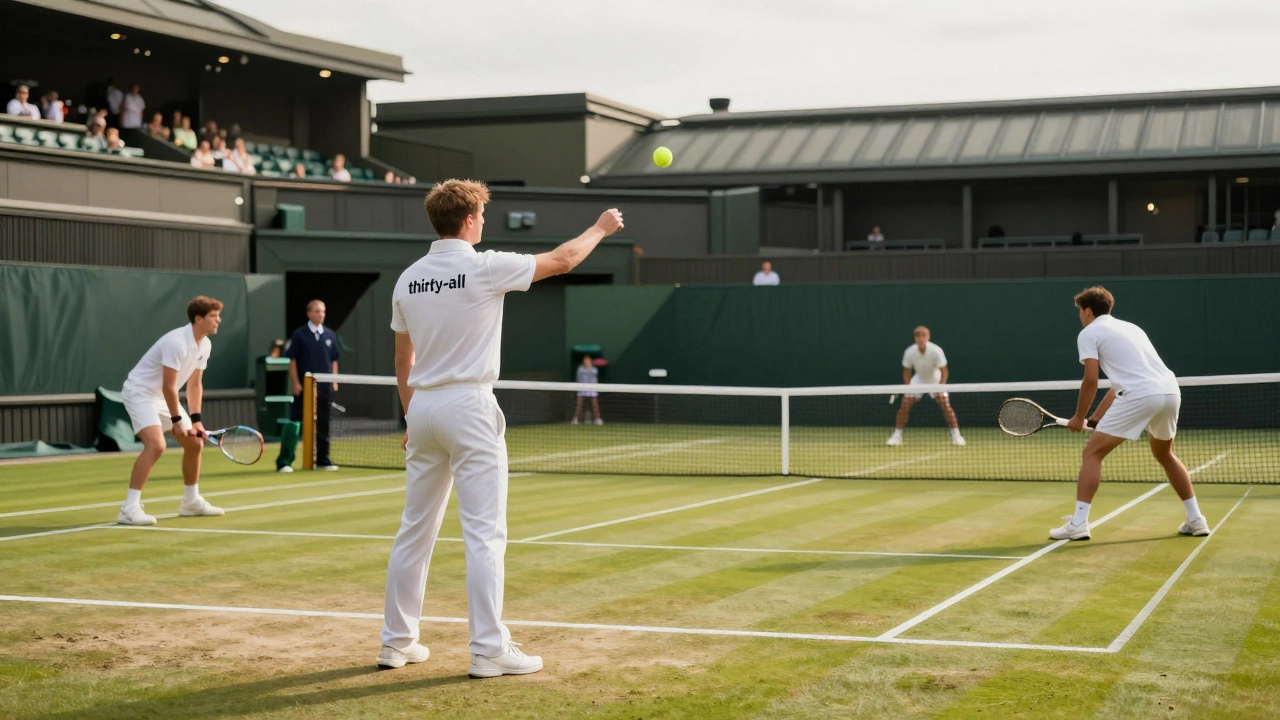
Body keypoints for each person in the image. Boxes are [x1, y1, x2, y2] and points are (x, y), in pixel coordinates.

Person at [378, 178, 624, 676]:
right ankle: (489, 649)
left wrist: (411, 415)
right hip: (468, 405)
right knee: (485, 535)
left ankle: (396, 644)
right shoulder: (485, 266)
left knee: (414, 532)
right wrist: (601, 227)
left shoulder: (407, 279)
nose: (484, 222)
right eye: (483, 216)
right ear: (469, 220)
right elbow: (564, 259)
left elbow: (403, 359)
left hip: (423, 407)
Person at [1050, 286, 1209, 541]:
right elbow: (1121, 382)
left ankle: (1078, 523)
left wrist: (1078, 417)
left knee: (1092, 453)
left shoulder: (1089, 333)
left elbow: (1090, 380)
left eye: (1080, 311)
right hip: (1169, 392)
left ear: (1087, 311)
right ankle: (1196, 518)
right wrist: (1095, 418)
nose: (1080, 316)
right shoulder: (1132, 329)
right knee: (1165, 454)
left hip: (1140, 395)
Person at [115, 296, 226, 525]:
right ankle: (129, 508)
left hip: (162, 396)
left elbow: (195, 384)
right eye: (213, 317)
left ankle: (190, 502)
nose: (219, 321)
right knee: (156, 445)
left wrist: (196, 420)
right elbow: (168, 386)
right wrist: (176, 419)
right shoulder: (176, 342)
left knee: (195, 443)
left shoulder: (204, 344)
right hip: (140, 393)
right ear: (198, 319)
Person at [886, 326, 965, 446]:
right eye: (918, 335)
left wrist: (940, 387)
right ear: (915, 338)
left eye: (923, 335)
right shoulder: (909, 352)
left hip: (935, 379)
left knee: (945, 405)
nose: (921, 338)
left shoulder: (936, 351)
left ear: (928, 337)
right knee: (905, 405)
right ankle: (896, 436)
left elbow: (944, 371)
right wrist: (909, 388)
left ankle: (956, 436)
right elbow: (906, 371)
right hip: (918, 380)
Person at [287, 300, 340, 472]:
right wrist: (296, 383)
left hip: (325, 389)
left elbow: (334, 360)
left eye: (323, 311)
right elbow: (292, 360)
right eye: (317, 311)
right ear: (309, 313)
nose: (321, 314)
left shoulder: (331, 335)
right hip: (304, 388)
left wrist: (334, 381)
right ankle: (285, 461)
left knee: (324, 423)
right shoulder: (299, 335)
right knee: (295, 423)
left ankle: (323, 460)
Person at [572, 355, 602, 425]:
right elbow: (578, 377)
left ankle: (597, 419)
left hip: (592, 388)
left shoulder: (594, 369)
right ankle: (575, 418)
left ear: (590, 361)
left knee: (595, 405)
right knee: (579, 405)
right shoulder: (580, 369)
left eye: (588, 360)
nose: (586, 361)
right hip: (582, 388)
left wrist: (590, 367)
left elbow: (594, 373)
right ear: (583, 361)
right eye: (585, 360)